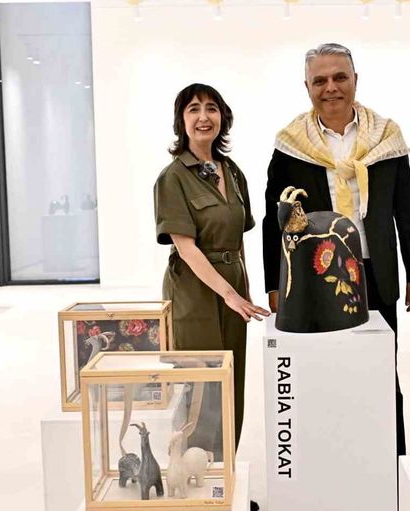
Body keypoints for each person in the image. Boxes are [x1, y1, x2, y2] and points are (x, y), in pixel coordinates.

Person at [262, 43, 410, 456]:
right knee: (324, 373)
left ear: (356, 80)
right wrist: (275, 283)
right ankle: (331, 460)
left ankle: (391, 465)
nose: (331, 87)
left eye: (340, 77)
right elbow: (273, 219)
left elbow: (406, 207)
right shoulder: (290, 145)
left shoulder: (386, 137)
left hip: (376, 272)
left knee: (382, 373)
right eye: (320, 80)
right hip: (316, 278)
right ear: (307, 87)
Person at [154, 83, 269, 450]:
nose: (203, 117)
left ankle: (226, 471)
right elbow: (186, 248)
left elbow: (238, 239)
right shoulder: (172, 177)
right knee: (201, 387)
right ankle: (196, 474)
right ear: (181, 120)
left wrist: (244, 292)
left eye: (211, 108)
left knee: (232, 381)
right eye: (193, 109)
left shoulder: (231, 171)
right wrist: (231, 294)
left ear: (223, 117)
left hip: (232, 288)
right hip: (194, 291)